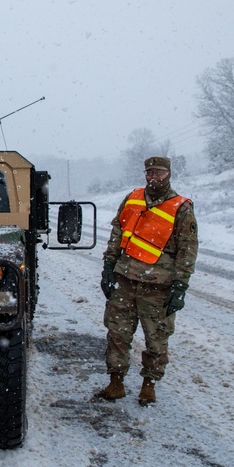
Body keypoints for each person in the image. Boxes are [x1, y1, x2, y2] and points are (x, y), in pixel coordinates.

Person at [95, 156, 198, 406]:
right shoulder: (132, 198)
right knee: (117, 334)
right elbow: (117, 232)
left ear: (169, 174)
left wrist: (181, 286)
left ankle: (148, 385)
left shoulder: (181, 207)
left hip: (159, 286)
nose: (154, 177)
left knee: (156, 338)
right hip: (125, 279)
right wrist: (108, 267)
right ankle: (116, 382)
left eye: (159, 173)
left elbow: (188, 248)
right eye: (150, 172)